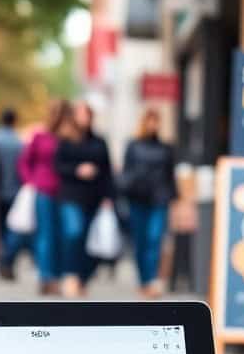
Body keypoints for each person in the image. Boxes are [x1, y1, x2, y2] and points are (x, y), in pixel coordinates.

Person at [54, 101, 114, 298]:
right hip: (71, 195)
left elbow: (107, 171)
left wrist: (108, 197)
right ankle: (69, 275)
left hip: (93, 197)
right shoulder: (66, 140)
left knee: (89, 241)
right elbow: (58, 167)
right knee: (74, 233)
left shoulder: (99, 141)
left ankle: (82, 278)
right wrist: (77, 170)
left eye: (87, 115)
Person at [119, 108, 176, 297]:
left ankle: (152, 280)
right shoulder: (133, 145)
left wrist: (174, 198)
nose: (154, 125)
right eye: (151, 120)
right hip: (137, 199)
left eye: (157, 121)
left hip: (159, 199)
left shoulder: (165, 147)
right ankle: (143, 280)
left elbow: (170, 175)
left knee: (155, 239)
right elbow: (125, 173)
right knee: (140, 242)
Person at [18, 100, 70, 295]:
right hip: (44, 190)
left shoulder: (68, 138)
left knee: (62, 235)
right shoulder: (40, 136)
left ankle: (57, 275)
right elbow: (24, 161)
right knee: (46, 235)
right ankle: (46, 277)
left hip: (65, 192)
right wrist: (30, 181)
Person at [0, 107, 25, 280]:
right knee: (12, 229)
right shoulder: (19, 142)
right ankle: (7, 261)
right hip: (15, 191)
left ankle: (2, 260)